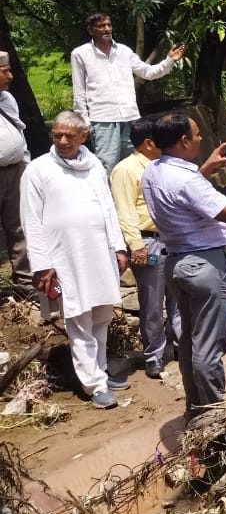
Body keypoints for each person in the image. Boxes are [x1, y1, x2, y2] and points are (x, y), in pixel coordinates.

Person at [142, 110, 226, 422]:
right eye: (196, 134)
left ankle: (196, 411)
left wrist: (204, 170)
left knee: (191, 342)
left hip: (177, 262)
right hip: (204, 265)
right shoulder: (186, 179)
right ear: (183, 141)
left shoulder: (152, 170)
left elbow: (181, 197)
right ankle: (214, 419)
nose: (201, 138)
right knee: (209, 347)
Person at [22, 111, 129, 409]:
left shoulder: (93, 164)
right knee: (79, 318)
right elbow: (30, 220)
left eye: (70, 135)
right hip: (65, 257)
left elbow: (107, 207)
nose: (63, 140)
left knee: (102, 316)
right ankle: (94, 385)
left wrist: (119, 247)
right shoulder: (38, 169)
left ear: (84, 135)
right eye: (57, 135)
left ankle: (102, 370)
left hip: (99, 251)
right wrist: (42, 265)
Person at [110, 116, 181, 380]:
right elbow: (125, 210)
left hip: (172, 238)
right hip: (148, 242)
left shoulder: (161, 165)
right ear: (149, 142)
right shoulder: (126, 170)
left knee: (178, 297)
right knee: (152, 302)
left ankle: (181, 347)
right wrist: (136, 246)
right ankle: (154, 356)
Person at [70, 13, 185, 174]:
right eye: (101, 26)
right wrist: (84, 121)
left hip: (130, 116)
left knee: (136, 162)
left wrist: (169, 61)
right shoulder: (80, 54)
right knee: (108, 166)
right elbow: (79, 91)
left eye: (109, 25)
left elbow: (148, 72)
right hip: (103, 118)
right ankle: (109, 199)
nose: (107, 29)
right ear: (91, 30)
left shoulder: (124, 51)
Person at [0, 52, 32, 300]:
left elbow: (19, 135)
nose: (10, 76)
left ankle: (25, 282)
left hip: (15, 171)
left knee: (19, 226)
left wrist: (26, 165)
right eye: (4, 71)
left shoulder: (7, 99)